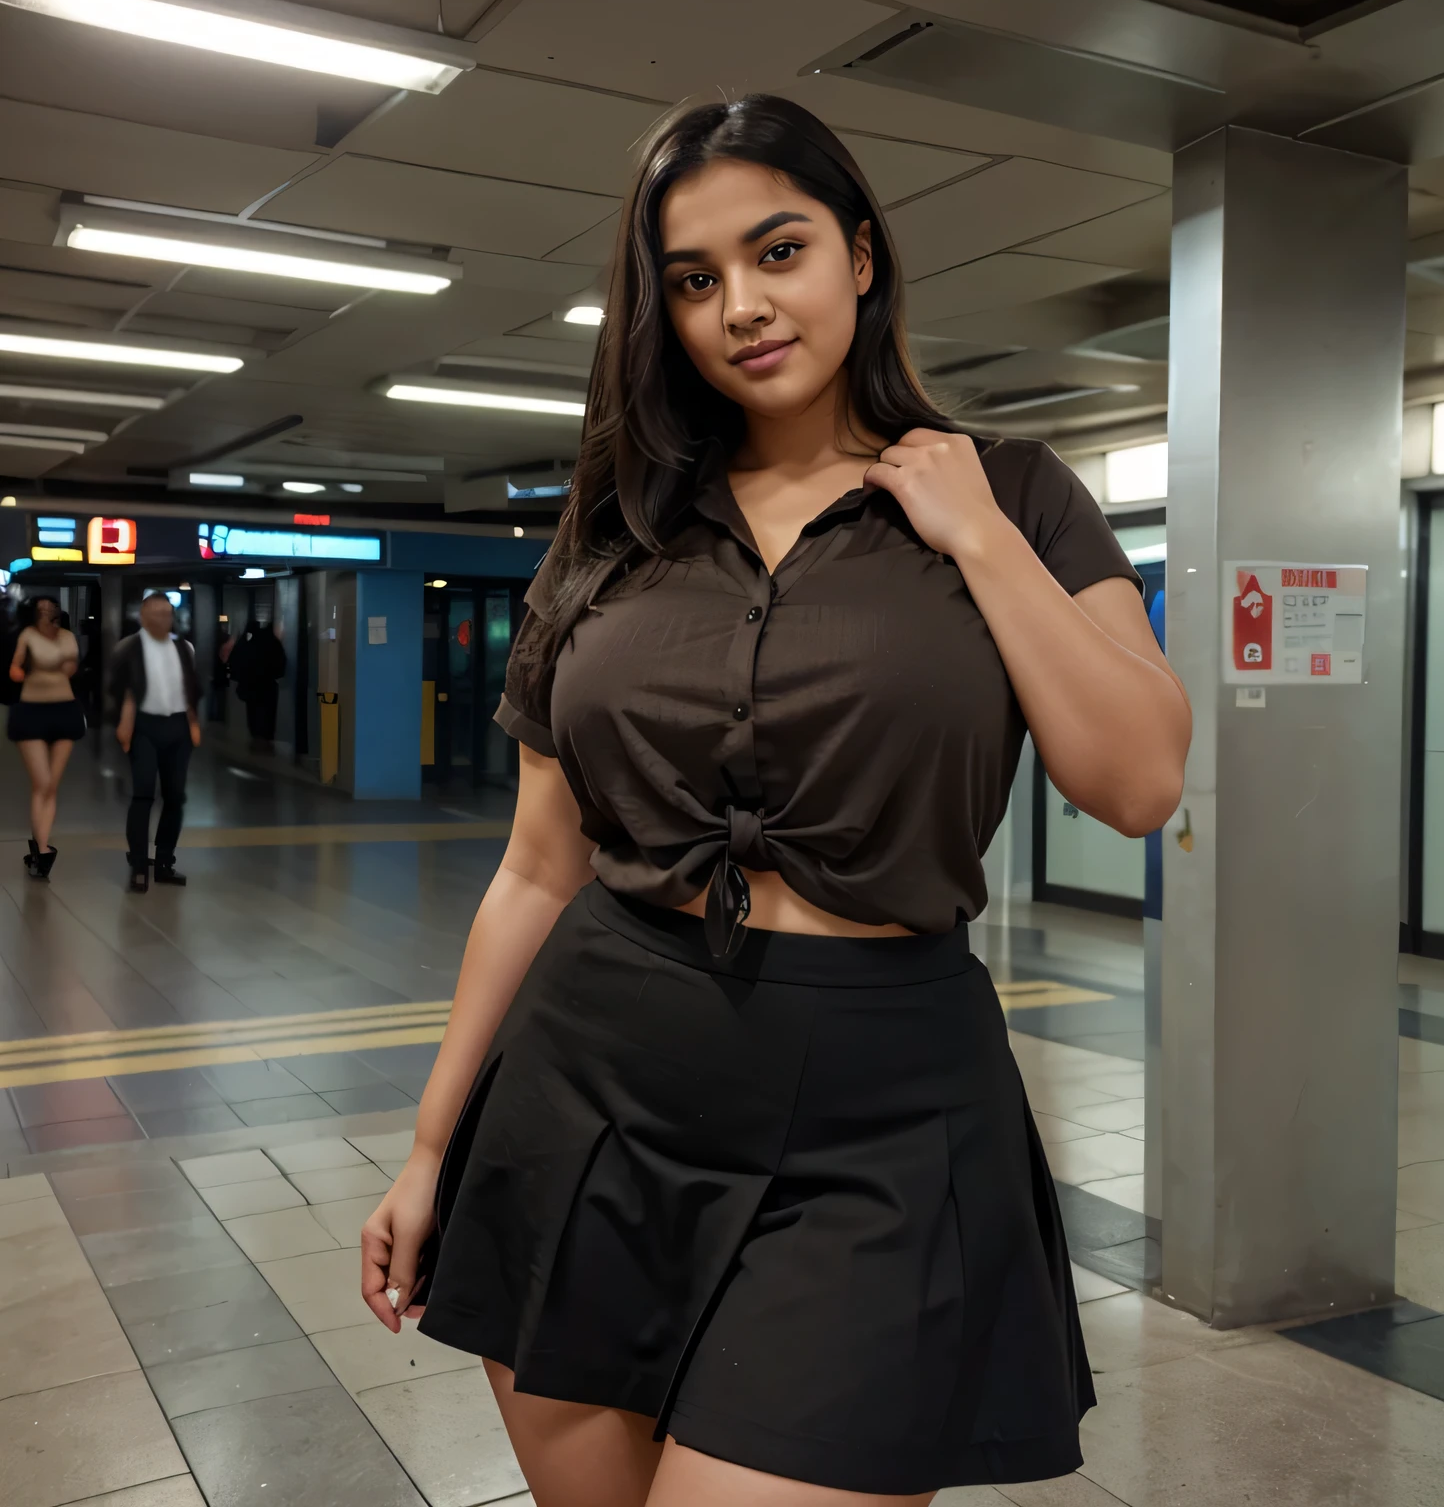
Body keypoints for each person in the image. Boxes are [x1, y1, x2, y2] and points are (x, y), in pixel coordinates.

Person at [362, 96, 1191, 1507]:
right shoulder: (615, 534)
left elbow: (1136, 779)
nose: (739, 306)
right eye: (692, 280)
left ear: (860, 259)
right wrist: (434, 1145)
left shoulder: (1022, 498)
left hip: (881, 1118)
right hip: (588, 1095)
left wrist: (975, 536)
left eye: (778, 249)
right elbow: (537, 870)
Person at [108, 592, 202, 894]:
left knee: (175, 797)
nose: (164, 619)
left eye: (168, 614)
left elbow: (190, 689)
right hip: (144, 726)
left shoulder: (184, 648)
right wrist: (125, 721)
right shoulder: (129, 648)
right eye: (157, 613)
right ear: (143, 617)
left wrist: (192, 723)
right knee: (143, 794)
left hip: (177, 727)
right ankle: (138, 865)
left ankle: (164, 862)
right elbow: (120, 690)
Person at [7, 595, 85, 879]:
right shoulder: (25, 635)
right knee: (41, 782)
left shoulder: (66, 637)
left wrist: (49, 667)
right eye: (41, 610)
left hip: (64, 711)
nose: (46, 613)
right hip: (31, 711)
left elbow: (71, 667)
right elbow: (14, 669)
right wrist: (26, 671)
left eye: (50, 609)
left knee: (50, 785)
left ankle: (40, 848)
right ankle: (42, 848)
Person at [226, 618, 286, 749]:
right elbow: (281, 666)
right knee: (268, 713)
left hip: (251, 685)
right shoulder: (274, 644)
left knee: (253, 712)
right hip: (268, 686)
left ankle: (256, 737)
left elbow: (236, 660)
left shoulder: (248, 644)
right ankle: (267, 738)